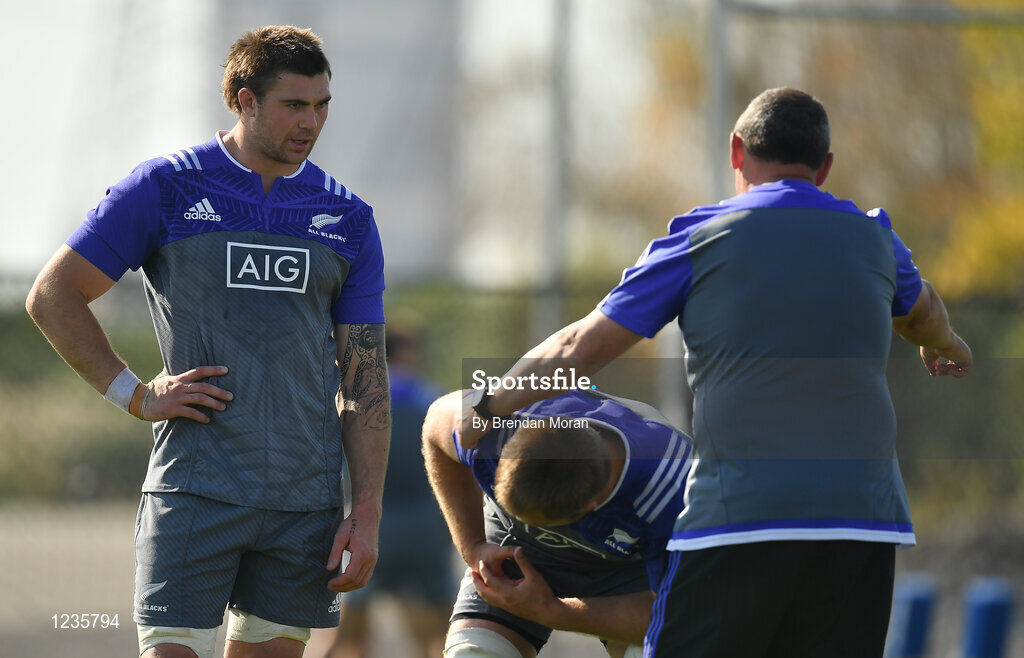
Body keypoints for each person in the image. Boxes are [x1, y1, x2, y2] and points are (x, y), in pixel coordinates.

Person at [459, 87, 972, 657]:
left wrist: (490, 407)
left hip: (742, 514)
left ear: (736, 151)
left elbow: (583, 344)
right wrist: (944, 345)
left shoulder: (701, 237)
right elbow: (923, 309)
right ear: (824, 168)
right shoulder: (877, 238)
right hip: (863, 518)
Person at [25, 26, 390, 658]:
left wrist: (365, 511)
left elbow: (365, 382)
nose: (312, 122)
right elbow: (53, 296)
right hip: (196, 489)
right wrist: (133, 394)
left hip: (303, 504)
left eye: (322, 105)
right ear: (244, 101)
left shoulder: (349, 218)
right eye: (294, 105)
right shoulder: (166, 187)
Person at [424, 387, 692, 658]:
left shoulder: (675, 491)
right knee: (474, 654)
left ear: (592, 506)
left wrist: (550, 610)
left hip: (625, 570)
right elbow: (435, 425)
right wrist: (472, 545)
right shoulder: (497, 427)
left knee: (657, 650)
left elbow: (676, 612)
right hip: (514, 544)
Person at [323, 322, 453, 658]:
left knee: (349, 635)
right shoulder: (435, 399)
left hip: (369, 527)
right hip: (426, 529)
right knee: (442, 636)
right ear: (408, 353)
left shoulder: (351, 400)